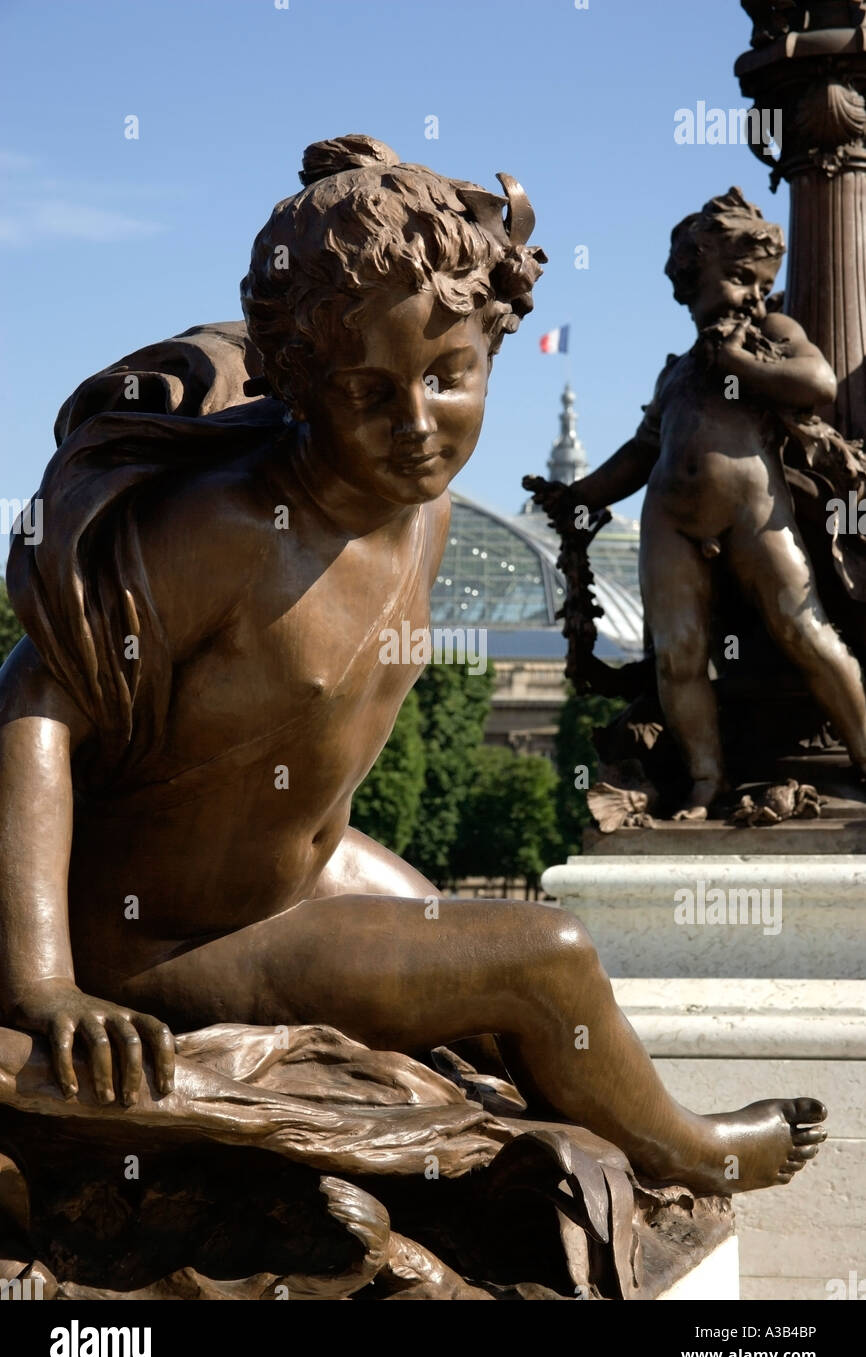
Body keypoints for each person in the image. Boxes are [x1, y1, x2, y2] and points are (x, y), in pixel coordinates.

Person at [0, 144, 825, 1195]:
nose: (416, 424)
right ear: (296, 381)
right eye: (368, 390)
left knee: (476, 998)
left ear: (492, 346)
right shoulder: (232, 529)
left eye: (448, 377)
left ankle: (554, 1140)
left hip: (309, 865)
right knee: (545, 956)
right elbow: (34, 696)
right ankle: (693, 1151)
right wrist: (44, 983)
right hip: (169, 933)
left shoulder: (422, 507)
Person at [561, 187, 866, 820]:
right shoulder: (675, 373)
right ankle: (705, 782)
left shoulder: (771, 334)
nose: (753, 295)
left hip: (756, 508)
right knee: (679, 657)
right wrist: (578, 495)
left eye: (759, 282)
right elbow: (641, 452)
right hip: (668, 519)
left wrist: (740, 360)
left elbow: (818, 382)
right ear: (692, 280)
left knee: (806, 631)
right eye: (736, 279)